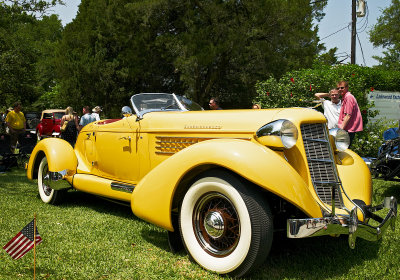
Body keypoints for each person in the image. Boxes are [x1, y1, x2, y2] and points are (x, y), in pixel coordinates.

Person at [337, 81, 363, 146]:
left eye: (342, 88)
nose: (340, 89)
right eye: (338, 88)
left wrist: (341, 130)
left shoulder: (348, 97)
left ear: (347, 88)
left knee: (343, 149)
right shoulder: (345, 97)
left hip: (348, 129)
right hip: (347, 129)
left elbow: (348, 115)